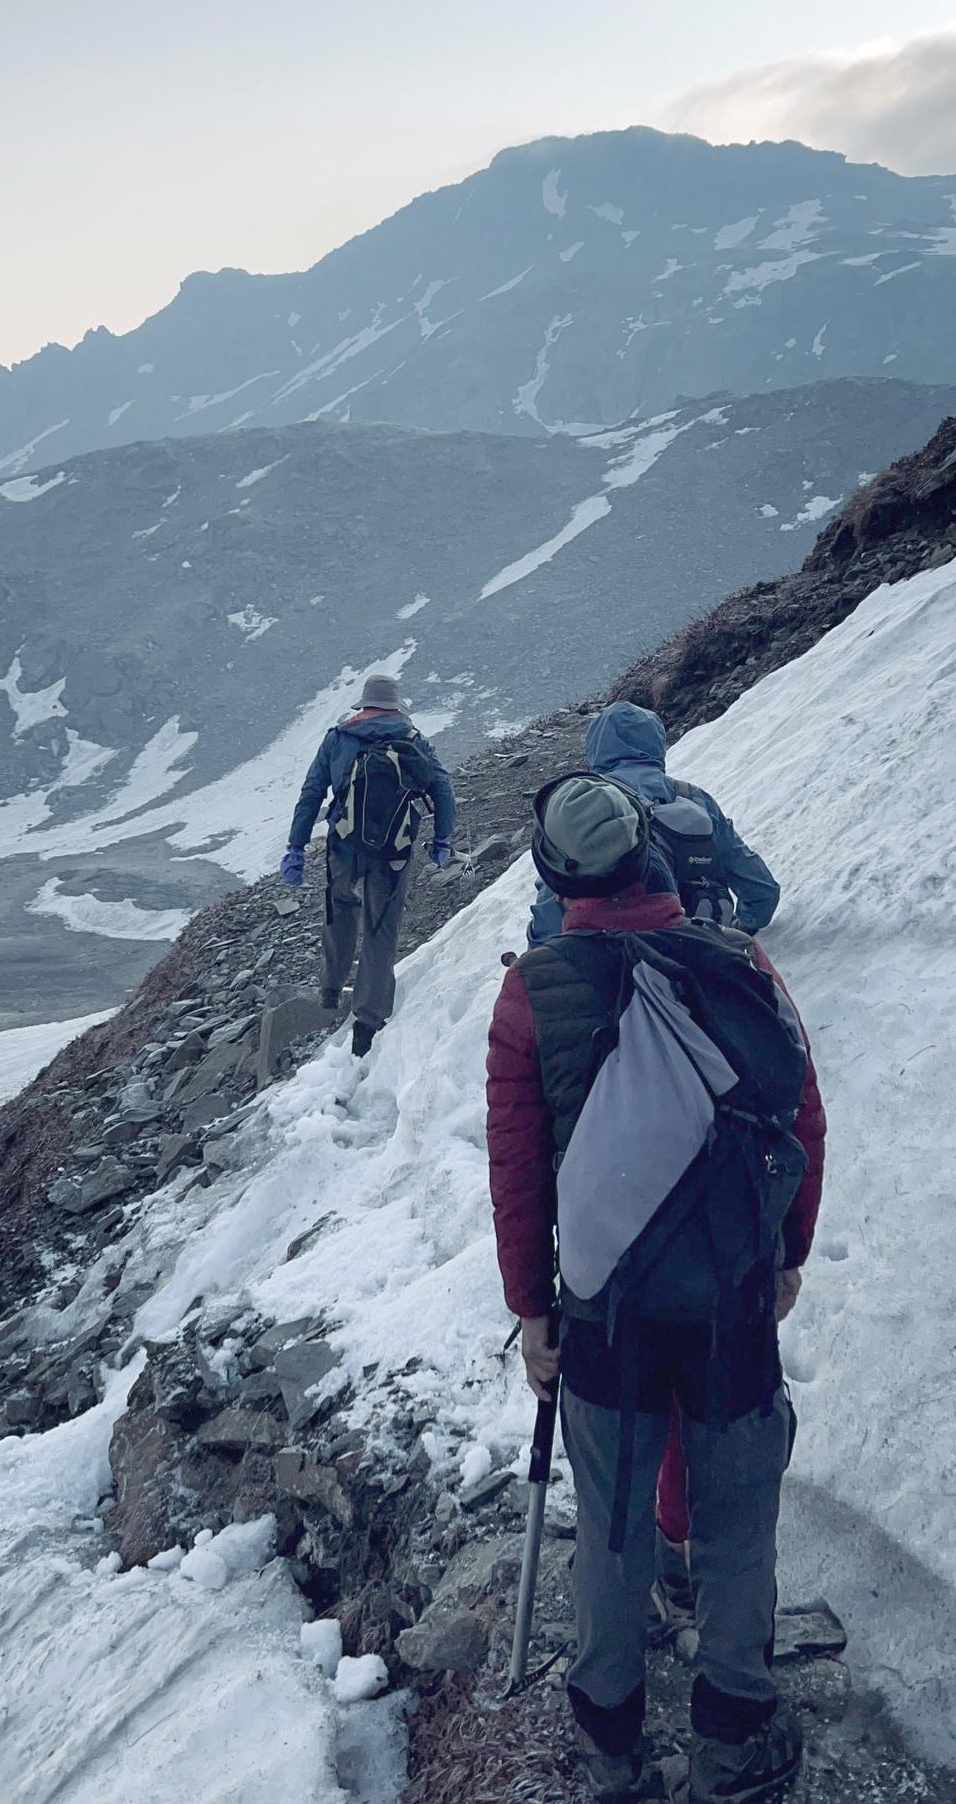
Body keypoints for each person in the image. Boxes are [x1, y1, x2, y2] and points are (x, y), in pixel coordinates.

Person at [487, 774, 824, 1804]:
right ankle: (732, 1737)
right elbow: (801, 1123)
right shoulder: (742, 963)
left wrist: (532, 1312)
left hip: (605, 1313)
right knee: (737, 1520)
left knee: (614, 1523)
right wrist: (785, 1258)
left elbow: (519, 1171)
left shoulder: (532, 992)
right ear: (652, 856)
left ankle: (612, 1748)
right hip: (729, 1298)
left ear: (555, 878)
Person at [280, 673, 455, 1057]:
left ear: (363, 705)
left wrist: (295, 847)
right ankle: (367, 1022)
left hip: (344, 844)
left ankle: (330, 987)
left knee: (339, 907)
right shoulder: (414, 741)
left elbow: (311, 794)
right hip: (394, 850)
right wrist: (442, 840)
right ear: (396, 707)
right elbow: (442, 789)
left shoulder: (339, 739)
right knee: (381, 928)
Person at [528, 701, 779, 946]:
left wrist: (542, 961)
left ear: (596, 748)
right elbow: (758, 885)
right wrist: (744, 926)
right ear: (656, 743)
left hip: (617, 963)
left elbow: (553, 901)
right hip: (701, 946)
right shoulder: (693, 798)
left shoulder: (584, 809)